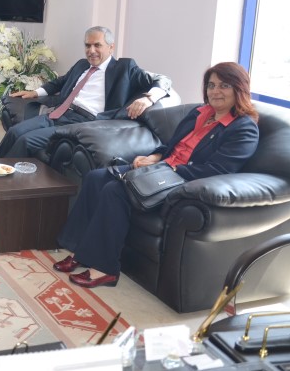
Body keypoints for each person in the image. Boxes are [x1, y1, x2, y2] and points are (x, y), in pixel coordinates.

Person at [53, 62, 259, 288]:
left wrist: (170, 169)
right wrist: (154, 157)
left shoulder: (243, 128)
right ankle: (79, 252)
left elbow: (218, 170)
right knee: (97, 178)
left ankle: (105, 268)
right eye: (211, 85)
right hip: (162, 169)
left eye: (224, 85)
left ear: (239, 88)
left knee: (115, 189)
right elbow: (172, 146)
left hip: (182, 181)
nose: (215, 91)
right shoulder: (199, 113)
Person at [0, 26, 172, 203]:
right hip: (59, 113)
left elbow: (163, 80)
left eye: (97, 45)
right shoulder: (82, 65)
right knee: (15, 132)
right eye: (87, 45)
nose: (91, 50)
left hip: (83, 122)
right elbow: (60, 82)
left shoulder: (125, 67)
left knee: (26, 141)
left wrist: (148, 98)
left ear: (111, 47)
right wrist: (35, 92)